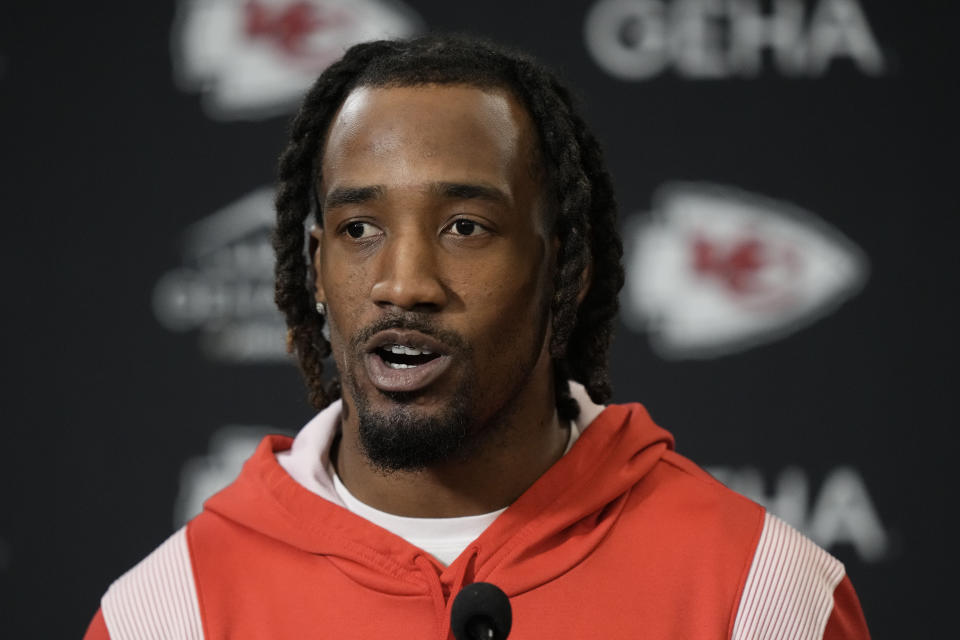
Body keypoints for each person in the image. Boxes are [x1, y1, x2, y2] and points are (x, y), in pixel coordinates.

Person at [85, 35, 870, 639]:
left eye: (465, 226)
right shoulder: (169, 612)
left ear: (567, 265)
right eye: (360, 228)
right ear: (316, 270)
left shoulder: (758, 596)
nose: (404, 283)